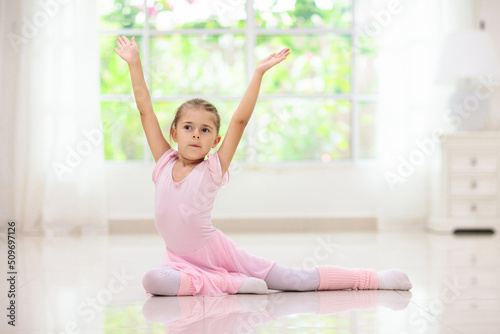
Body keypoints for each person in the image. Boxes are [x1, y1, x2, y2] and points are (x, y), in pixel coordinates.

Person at [114, 36, 412, 296]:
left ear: (215, 141)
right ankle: (231, 284)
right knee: (153, 280)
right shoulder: (164, 163)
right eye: (189, 127)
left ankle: (375, 279)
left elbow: (240, 121)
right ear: (174, 133)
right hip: (178, 262)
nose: (195, 134)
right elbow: (144, 110)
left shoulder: (212, 169)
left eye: (205, 130)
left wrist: (258, 73)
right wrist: (134, 63)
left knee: (294, 279)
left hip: (218, 254)